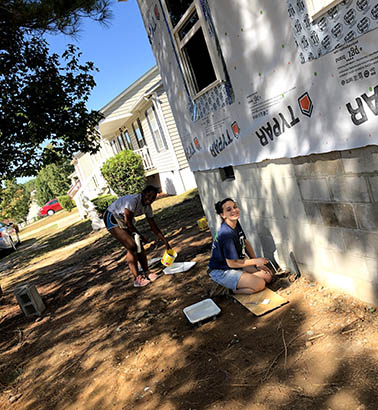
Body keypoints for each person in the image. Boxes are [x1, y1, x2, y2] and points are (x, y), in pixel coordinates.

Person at [103, 185, 171, 288]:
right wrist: (142, 236)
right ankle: (137, 278)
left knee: (138, 244)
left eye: (153, 198)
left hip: (124, 219)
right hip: (112, 216)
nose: (150, 199)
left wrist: (165, 242)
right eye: (148, 196)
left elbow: (153, 226)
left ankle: (146, 272)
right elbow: (128, 223)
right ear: (143, 193)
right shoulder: (133, 201)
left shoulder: (148, 208)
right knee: (132, 246)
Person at [208, 198, 272, 294]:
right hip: (222, 271)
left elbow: (245, 242)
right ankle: (227, 290)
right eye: (229, 210)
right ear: (223, 215)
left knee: (267, 276)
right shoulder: (226, 234)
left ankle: (242, 278)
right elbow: (231, 263)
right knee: (260, 284)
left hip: (236, 264)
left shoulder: (235, 223)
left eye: (235, 207)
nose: (234, 210)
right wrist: (255, 261)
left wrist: (257, 263)